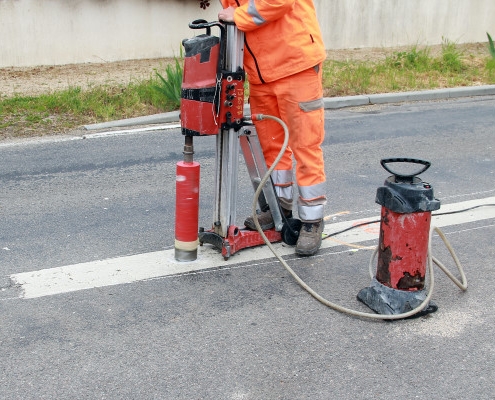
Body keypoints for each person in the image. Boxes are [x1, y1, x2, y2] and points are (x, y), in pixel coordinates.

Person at [218, 0, 327, 256]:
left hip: (295, 65)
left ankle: (312, 220)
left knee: (305, 146)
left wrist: (240, 15)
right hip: (261, 75)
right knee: (272, 148)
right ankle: (280, 209)